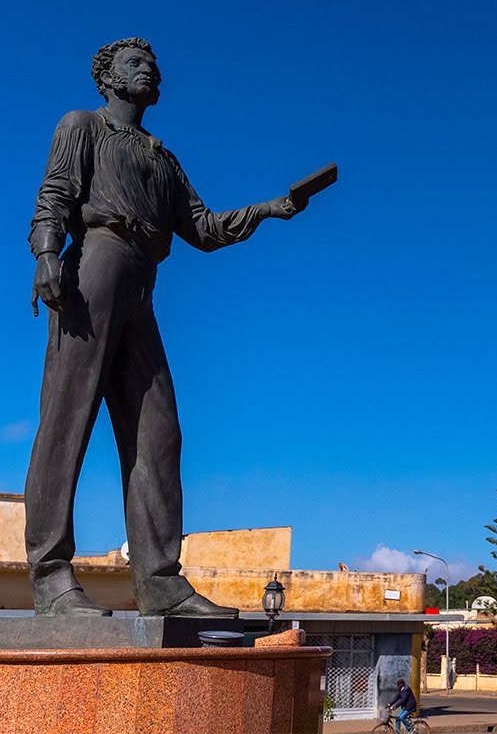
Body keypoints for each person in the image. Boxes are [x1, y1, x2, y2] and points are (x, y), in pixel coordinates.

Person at [24, 37, 310, 617]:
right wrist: (47, 253)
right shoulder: (83, 125)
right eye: (136, 64)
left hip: (142, 283)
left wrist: (269, 209)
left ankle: (159, 582)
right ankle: (51, 575)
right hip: (94, 266)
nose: (150, 70)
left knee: (160, 431)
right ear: (107, 77)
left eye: (153, 65)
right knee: (66, 419)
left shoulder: (162, 158)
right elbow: (55, 194)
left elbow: (202, 228)